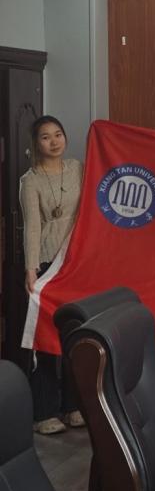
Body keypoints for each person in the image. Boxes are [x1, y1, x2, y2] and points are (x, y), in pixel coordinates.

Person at [19, 115, 85, 435]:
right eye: (45, 137)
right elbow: (32, 227)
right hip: (48, 263)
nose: (54, 141)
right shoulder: (29, 180)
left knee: (77, 335)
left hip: (78, 262)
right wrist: (31, 269)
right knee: (47, 339)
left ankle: (73, 406)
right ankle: (45, 412)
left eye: (58, 134)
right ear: (36, 143)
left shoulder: (78, 169)